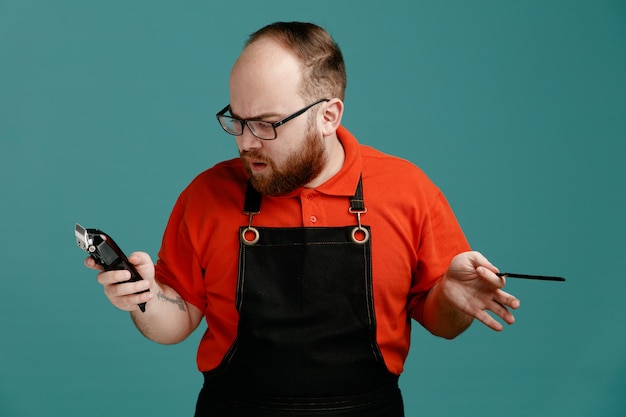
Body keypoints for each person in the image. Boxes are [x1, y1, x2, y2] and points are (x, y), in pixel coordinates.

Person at [85, 21, 520, 417]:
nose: (245, 142)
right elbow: (175, 322)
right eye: (236, 120)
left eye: (267, 124)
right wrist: (142, 298)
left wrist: (453, 297)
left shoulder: (408, 190)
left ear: (328, 116)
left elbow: (443, 324)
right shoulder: (205, 195)